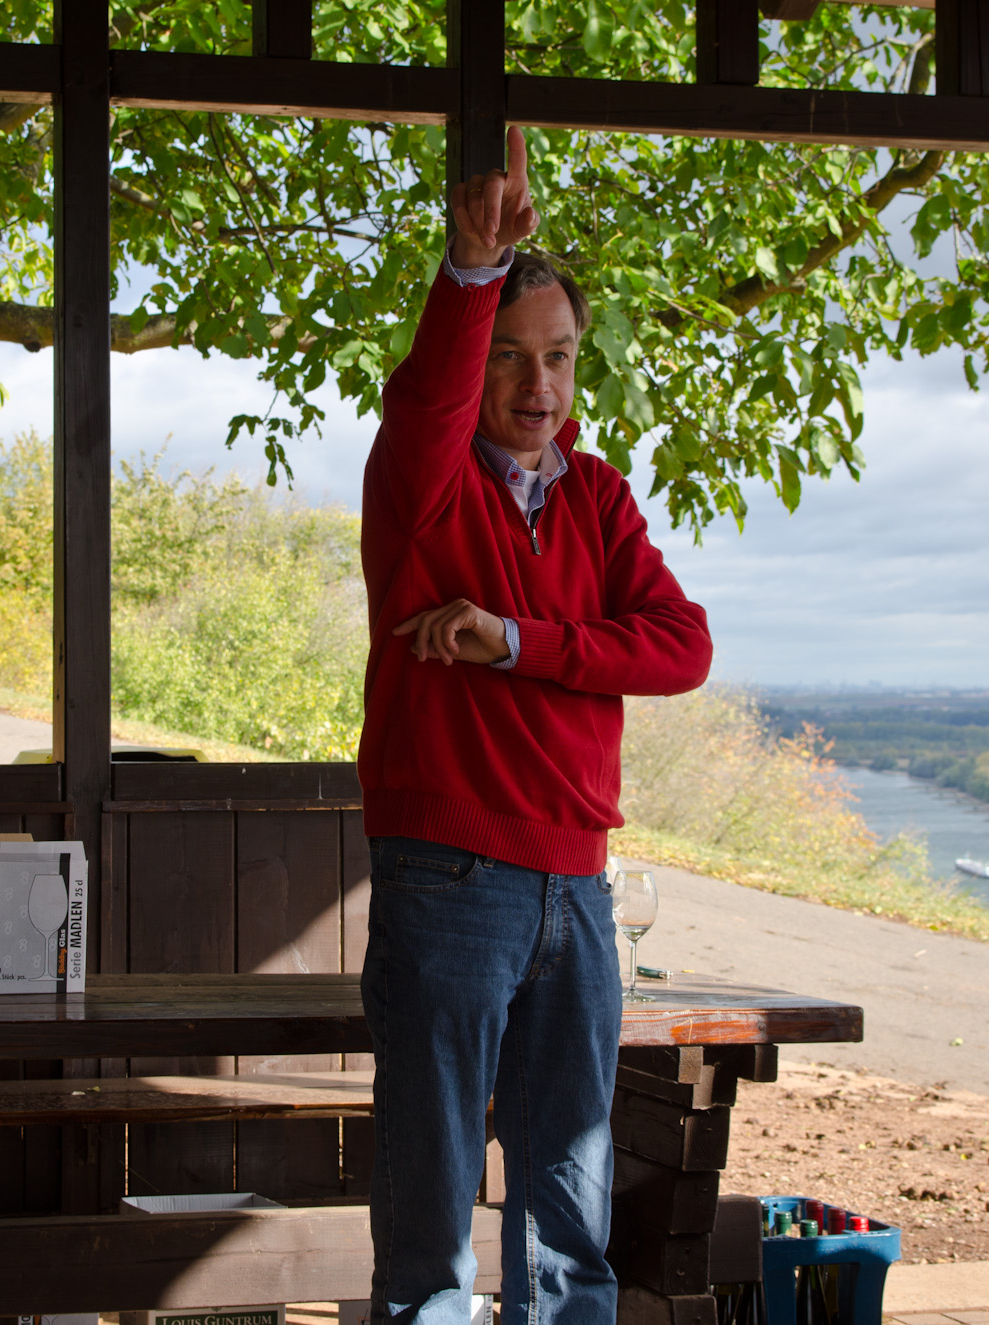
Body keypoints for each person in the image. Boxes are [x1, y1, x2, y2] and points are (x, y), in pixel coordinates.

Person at [356, 125, 713, 1325]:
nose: (536, 387)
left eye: (557, 357)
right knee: (433, 1205)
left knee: (570, 1211)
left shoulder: (598, 496)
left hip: (578, 881)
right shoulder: (423, 484)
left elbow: (680, 647)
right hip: (449, 877)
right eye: (509, 358)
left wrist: (516, 641)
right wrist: (467, 268)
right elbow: (431, 392)